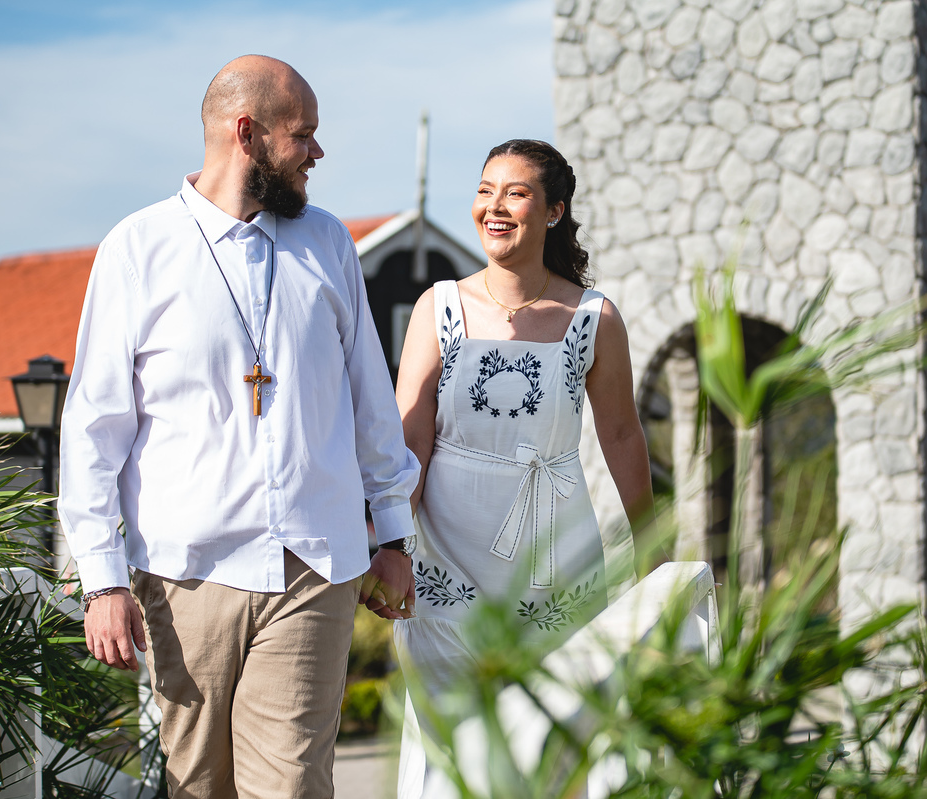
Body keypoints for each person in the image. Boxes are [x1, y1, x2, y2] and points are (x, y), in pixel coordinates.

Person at [58, 55, 420, 798]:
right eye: (303, 135)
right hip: (186, 568)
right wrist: (101, 578)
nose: (317, 152)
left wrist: (391, 536)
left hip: (313, 564)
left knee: (289, 784)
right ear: (246, 132)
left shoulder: (328, 243)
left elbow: (370, 403)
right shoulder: (138, 248)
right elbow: (94, 429)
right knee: (198, 783)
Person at [391, 139, 653, 797]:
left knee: (557, 742)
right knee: (455, 747)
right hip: (445, 560)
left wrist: (653, 547)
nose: (494, 205)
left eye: (515, 192)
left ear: (555, 210)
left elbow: (622, 435)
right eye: (485, 189)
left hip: (557, 559)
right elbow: (410, 439)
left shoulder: (595, 318)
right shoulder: (438, 307)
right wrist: (389, 544)